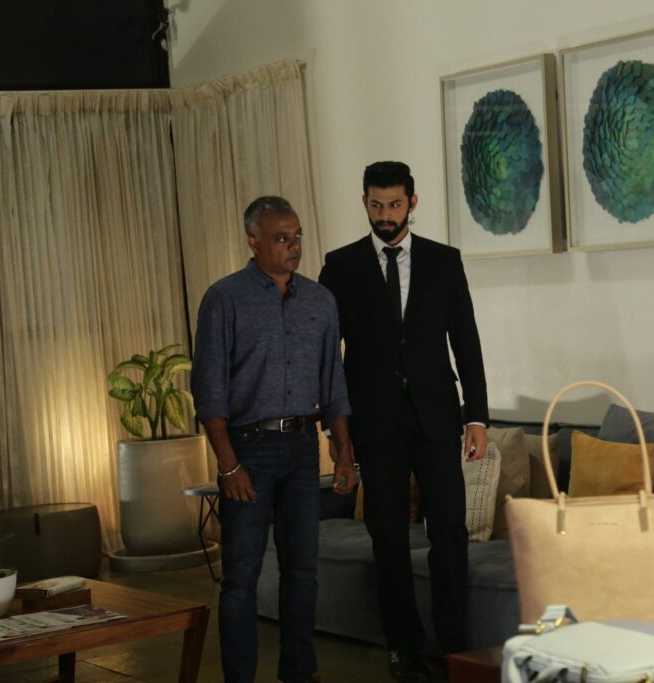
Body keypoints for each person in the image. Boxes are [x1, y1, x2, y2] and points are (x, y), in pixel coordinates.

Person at [318, 161, 489, 681]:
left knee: (450, 532)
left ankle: (455, 646)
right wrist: (337, 432)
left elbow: (467, 341)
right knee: (388, 537)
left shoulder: (444, 261)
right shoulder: (340, 267)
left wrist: (477, 418)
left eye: (394, 205)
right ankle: (403, 649)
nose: (385, 215)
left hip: (437, 419)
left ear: (412, 203)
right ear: (365, 203)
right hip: (376, 425)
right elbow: (328, 359)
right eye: (376, 205)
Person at [191, 195, 357, 683]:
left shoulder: (321, 302)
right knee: (241, 576)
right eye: (282, 238)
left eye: (298, 235)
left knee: (302, 571)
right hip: (248, 450)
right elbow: (209, 390)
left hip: (303, 450)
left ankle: (298, 675)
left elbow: (334, 383)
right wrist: (228, 464)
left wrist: (344, 451)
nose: (294, 245)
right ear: (254, 241)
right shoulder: (224, 299)